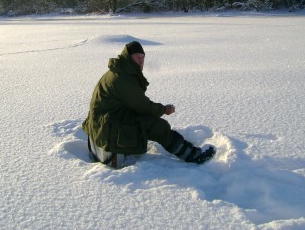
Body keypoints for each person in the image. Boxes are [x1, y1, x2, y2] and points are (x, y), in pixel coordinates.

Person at [82, 41, 216, 168]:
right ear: (128, 57)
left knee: (147, 121)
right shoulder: (122, 78)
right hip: (108, 126)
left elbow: (134, 103)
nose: (141, 61)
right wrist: (164, 109)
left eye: (142, 57)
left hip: (108, 121)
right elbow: (142, 106)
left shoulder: (121, 71)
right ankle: (194, 156)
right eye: (137, 57)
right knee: (159, 126)